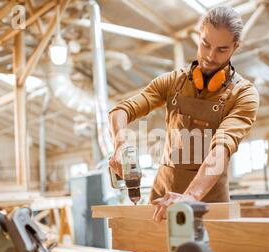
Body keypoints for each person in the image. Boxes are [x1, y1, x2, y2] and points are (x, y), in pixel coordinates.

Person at [109, 6, 260, 221]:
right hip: (161, 200)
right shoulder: (173, 82)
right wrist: (120, 144)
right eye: (205, 44)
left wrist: (191, 197)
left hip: (208, 205)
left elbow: (220, 151)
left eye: (221, 49)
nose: (210, 56)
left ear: (236, 47)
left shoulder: (243, 94)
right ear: (199, 35)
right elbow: (121, 110)